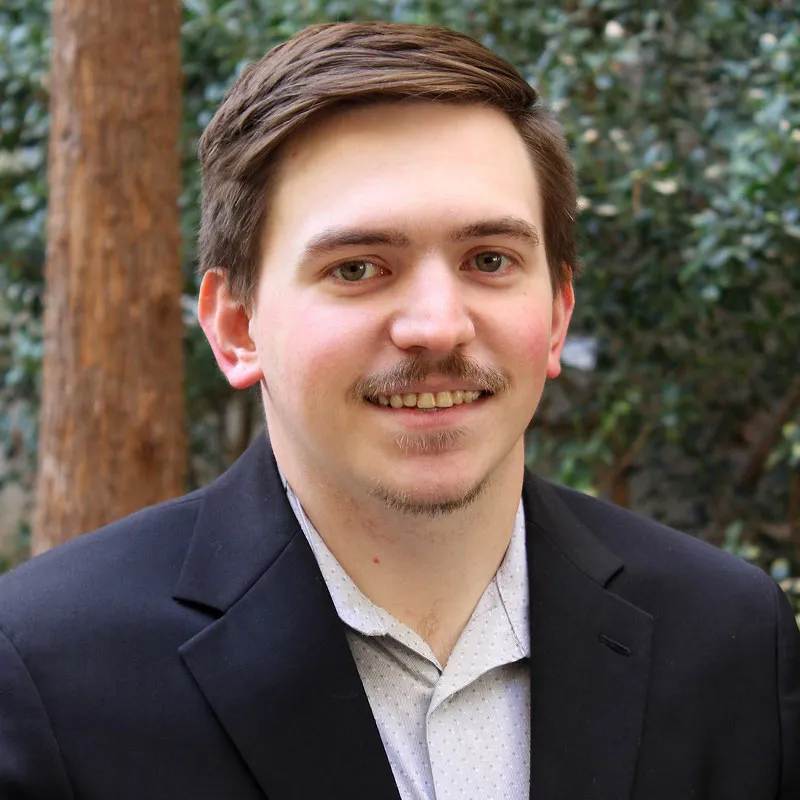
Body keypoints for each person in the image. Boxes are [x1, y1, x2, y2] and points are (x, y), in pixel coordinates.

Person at [0, 21, 798, 800]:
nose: (438, 326)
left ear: (557, 314)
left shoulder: (729, 640)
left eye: (490, 260)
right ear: (237, 328)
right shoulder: (46, 670)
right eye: (358, 268)